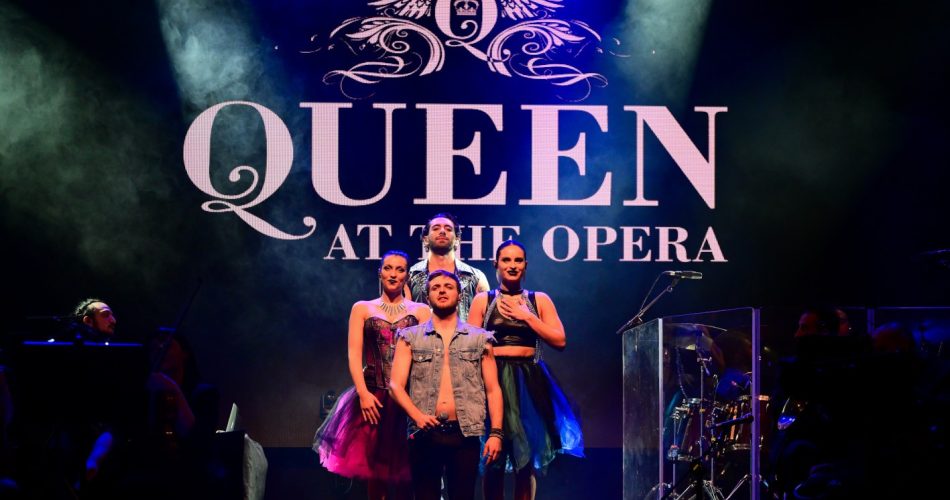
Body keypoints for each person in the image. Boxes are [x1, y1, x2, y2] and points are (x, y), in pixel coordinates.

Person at [467, 240, 584, 500]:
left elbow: (560, 340)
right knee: (492, 461)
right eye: (506, 260)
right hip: (493, 379)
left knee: (525, 459)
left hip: (528, 382)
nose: (512, 265)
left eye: (518, 260)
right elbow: (469, 346)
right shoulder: (482, 301)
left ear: (526, 266)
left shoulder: (537, 300)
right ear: (495, 264)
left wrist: (527, 316)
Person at [314, 250, 431, 499]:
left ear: (407, 276)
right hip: (373, 396)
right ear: (380, 272)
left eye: (400, 269)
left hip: (407, 397)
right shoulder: (362, 308)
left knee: (405, 472)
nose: (393, 274)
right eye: (388, 268)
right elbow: (354, 355)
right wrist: (364, 394)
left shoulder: (421, 311)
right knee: (375, 472)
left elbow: (427, 359)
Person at [390, 270, 503, 500]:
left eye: (448, 287)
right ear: (428, 297)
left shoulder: (480, 338)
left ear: (459, 296)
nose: (442, 290)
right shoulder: (409, 337)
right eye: (435, 287)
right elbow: (395, 386)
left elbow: (493, 389)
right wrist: (417, 416)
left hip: (464, 433)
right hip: (425, 432)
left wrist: (496, 433)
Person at [406, 213, 489, 322]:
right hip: (419, 338)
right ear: (425, 239)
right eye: (436, 228)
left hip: (465, 338)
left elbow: (486, 320)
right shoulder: (410, 275)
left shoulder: (476, 277)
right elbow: (404, 318)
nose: (442, 231)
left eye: (448, 229)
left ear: (457, 239)